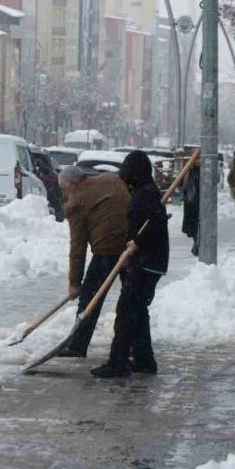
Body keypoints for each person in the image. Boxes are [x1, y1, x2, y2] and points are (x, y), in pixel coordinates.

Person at [93, 151, 170, 378]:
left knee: (126, 311)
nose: (123, 176)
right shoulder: (143, 191)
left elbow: (154, 222)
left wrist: (137, 241)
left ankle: (118, 362)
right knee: (137, 311)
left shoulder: (146, 194)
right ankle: (144, 360)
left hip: (146, 263)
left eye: (127, 171)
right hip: (148, 261)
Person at [57, 165, 130, 357]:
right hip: (132, 246)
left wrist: (74, 284)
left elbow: (78, 248)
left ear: (74, 183)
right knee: (131, 300)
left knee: (89, 298)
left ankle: (77, 346)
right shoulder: (110, 179)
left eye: (64, 189)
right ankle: (136, 348)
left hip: (107, 251)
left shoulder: (75, 203)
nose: (64, 194)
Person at [180, 157, 200, 255]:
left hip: (197, 204)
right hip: (190, 204)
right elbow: (182, 185)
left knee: (196, 226)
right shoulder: (187, 173)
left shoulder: (199, 172)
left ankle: (197, 245)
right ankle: (196, 244)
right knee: (193, 227)